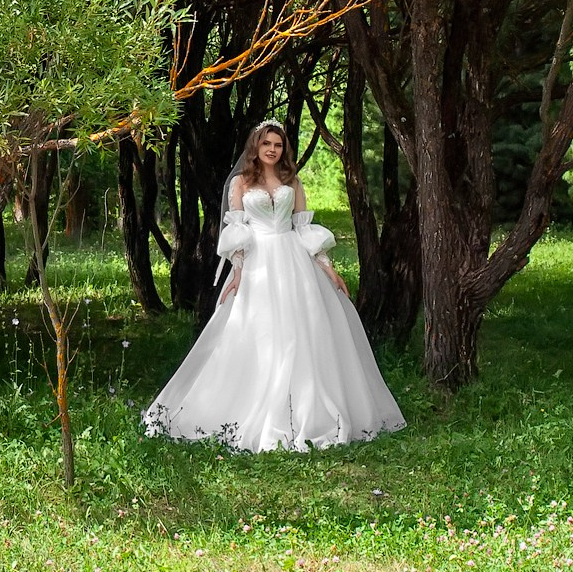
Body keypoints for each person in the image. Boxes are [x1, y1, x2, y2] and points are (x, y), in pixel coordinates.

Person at [143, 120, 406, 451]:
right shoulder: (240, 182)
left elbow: (302, 226)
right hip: (258, 265)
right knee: (260, 333)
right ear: (256, 146)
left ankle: (308, 410)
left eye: (278, 145)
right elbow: (238, 232)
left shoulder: (291, 181)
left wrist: (328, 268)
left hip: (294, 260)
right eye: (266, 143)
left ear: (283, 150)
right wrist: (237, 272)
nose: (272, 149)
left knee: (303, 332)